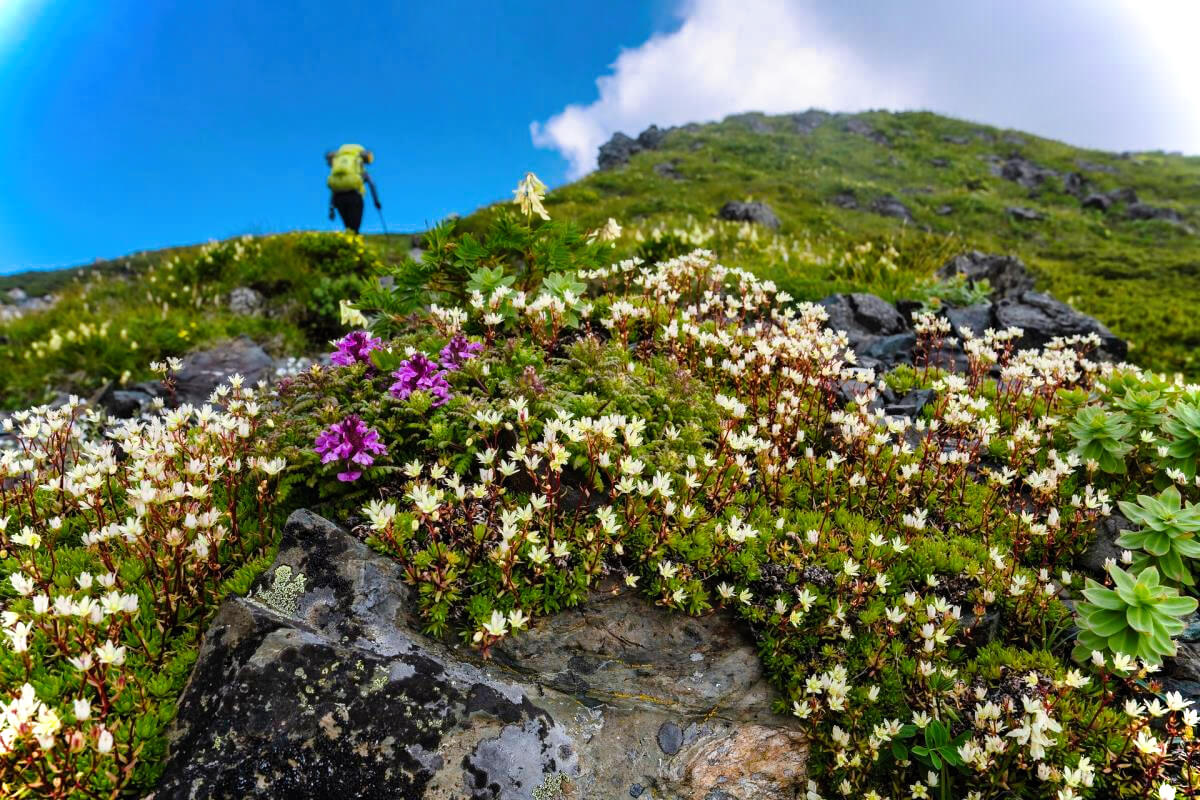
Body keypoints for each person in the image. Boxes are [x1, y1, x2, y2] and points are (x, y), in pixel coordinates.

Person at [325, 144, 380, 233]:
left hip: (338, 198)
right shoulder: (358, 166)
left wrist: (331, 208)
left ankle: (349, 243)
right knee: (355, 227)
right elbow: (372, 184)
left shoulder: (338, 164)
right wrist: (376, 201)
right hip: (354, 196)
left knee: (347, 227)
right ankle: (354, 243)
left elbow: (333, 189)